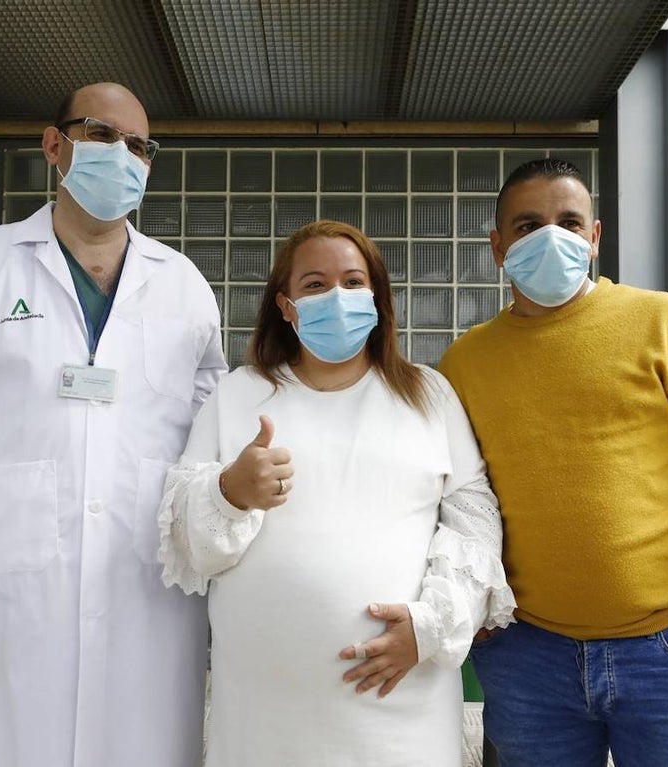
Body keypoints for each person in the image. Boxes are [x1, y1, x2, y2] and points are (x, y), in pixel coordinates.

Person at [0, 82, 226, 767]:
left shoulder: (183, 283)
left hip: (150, 595)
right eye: (102, 136)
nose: (121, 156)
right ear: (55, 145)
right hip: (9, 597)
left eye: (139, 146)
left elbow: (211, 443)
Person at [438, 158, 668, 766]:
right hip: (528, 661)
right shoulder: (465, 362)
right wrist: (475, 607)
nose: (551, 237)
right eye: (526, 225)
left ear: (594, 238)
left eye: (570, 222)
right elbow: (453, 497)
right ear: (497, 247)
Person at [157, 219, 516, 767]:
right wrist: (231, 491)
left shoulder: (427, 394)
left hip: (400, 712)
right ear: (286, 305)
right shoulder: (239, 394)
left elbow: (475, 518)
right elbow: (187, 543)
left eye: (353, 281)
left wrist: (429, 627)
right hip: (265, 717)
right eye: (315, 285)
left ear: (377, 296)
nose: (337, 297)